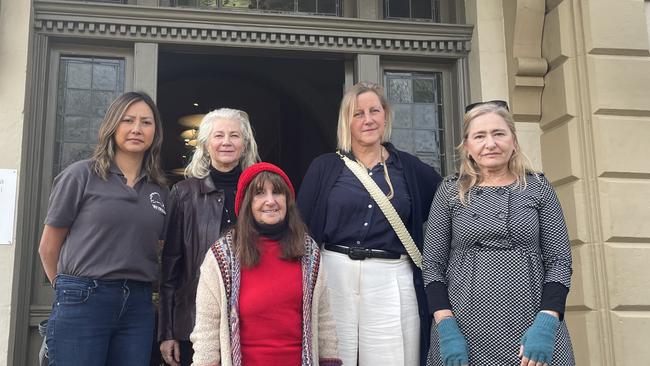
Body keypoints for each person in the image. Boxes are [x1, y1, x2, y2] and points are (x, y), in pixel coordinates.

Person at [298, 82, 442, 366]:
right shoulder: (324, 167)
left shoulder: (409, 168)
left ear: (385, 115)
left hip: (392, 277)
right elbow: (300, 226)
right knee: (332, 356)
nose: (368, 119)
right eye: (358, 113)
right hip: (334, 272)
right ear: (346, 121)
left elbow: (446, 208)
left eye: (374, 110)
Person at [422, 101, 574, 366]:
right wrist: (446, 328)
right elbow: (432, 265)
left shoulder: (538, 187)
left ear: (513, 141)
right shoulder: (449, 191)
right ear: (467, 146)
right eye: (479, 136)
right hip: (463, 326)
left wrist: (547, 321)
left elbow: (559, 261)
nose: (490, 143)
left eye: (499, 133)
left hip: (532, 322)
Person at [38, 91, 169, 366]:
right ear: (112, 126)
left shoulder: (160, 190)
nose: (136, 129)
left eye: (146, 122)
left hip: (138, 304)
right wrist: (70, 291)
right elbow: (48, 247)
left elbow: (158, 247)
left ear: (155, 132)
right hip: (83, 298)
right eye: (127, 120)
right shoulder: (81, 175)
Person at [190, 162, 342, 366]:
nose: (270, 201)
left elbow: (323, 318)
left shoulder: (308, 251)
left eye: (278, 192)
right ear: (246, 203)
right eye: (260, 193)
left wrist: (330, 362)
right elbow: (206, 328)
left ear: (288, 200)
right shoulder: (222, 256)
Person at [158, 108, 260, 366]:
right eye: (219, 135)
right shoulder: (183, 193)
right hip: (195, 321)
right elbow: (171, 267)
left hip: (252, 317)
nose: (227, 142)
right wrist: (167, 332)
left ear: (245, 144)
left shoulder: (260, 191)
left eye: (234, 135)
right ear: (205, 144)